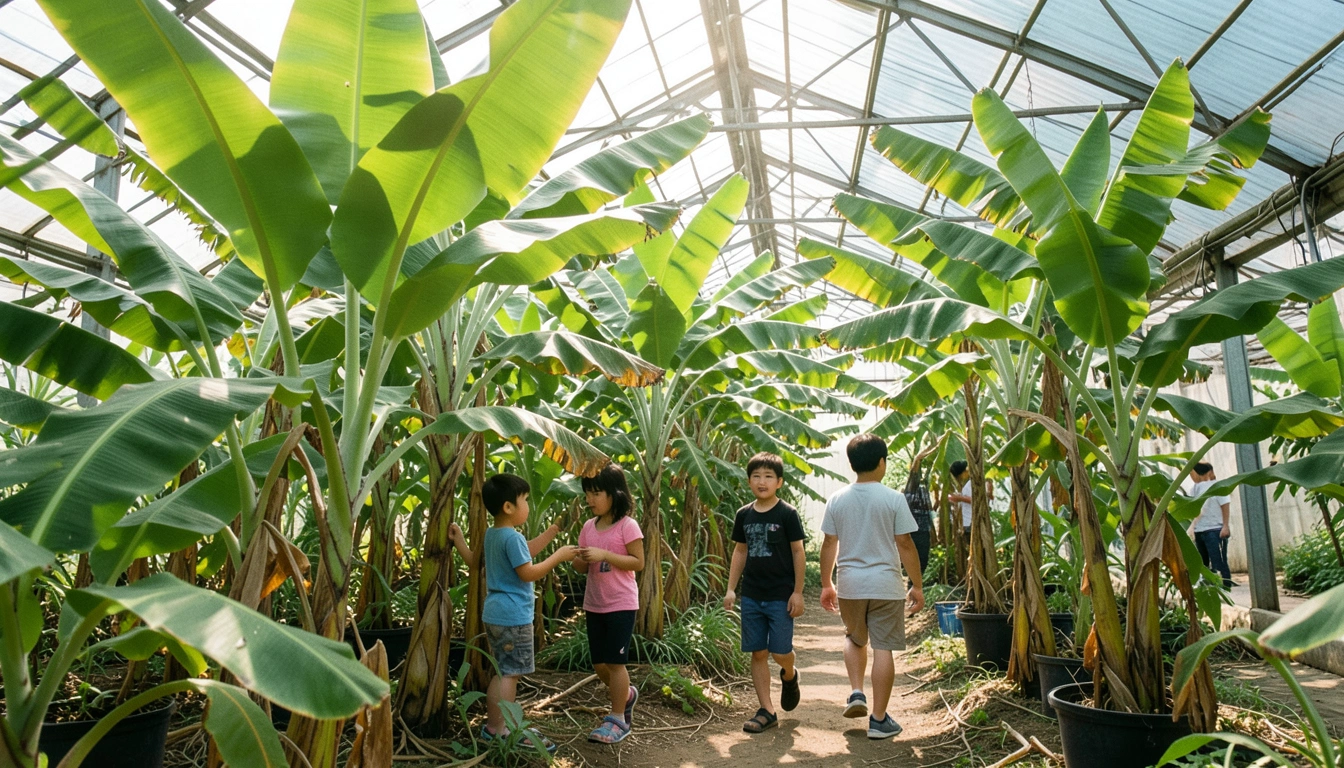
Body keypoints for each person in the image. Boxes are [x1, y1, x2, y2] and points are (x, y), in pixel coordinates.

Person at [449, 473, 576, 753]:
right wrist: (558, 557)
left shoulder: (494, 534)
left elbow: (475, 561)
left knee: (504, 670)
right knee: (509, 674)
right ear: (509, 507)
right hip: (513, 616)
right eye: (525, 500)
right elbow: (527, 571)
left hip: (495, 613)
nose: (528, 506)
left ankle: (496, 726)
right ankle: (498, 729)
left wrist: (552, 533)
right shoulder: (512, 537)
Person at [820, 434, 925, 740]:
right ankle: (879, 720)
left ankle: (856, 692)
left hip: (851, 584)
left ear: (852, 464)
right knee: (883, 648)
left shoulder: (837, 499)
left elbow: (829, 543)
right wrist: (916, 585)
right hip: (886, 585)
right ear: (882, 462)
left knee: (854, 639)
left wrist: (827, 583)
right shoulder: (893, 499)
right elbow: (905, 543)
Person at [723, 452, 806, 734]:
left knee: (780, 651)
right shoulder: (743, 515)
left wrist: (798, 592)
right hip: (752, 595)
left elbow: (798, 552)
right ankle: (766, 710)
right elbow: (740, 551)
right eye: (756, 476)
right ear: (749, 481)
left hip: (781, 595)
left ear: (779, 482)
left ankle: (790, 673)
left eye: (768, 476)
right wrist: (731, 589)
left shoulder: (787, 514)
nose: (762, 481)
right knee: (758, 652)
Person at [573, 462, 646, 745]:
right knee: (599, 665)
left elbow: (637, 562)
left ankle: (617, 718)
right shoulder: (588, 527)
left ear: (614, 493)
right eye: (587, 493)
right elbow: (582, 568)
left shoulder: (627, 526)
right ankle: (626, 694)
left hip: (621, 602)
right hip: (595, 603)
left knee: (616, 664)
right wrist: (578, 558)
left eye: (596, 493)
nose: (590, 499)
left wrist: (604, 554)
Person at [1188, 462, 1234, 589]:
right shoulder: (1194, 489)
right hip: (1200, 530)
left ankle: (1225, 587)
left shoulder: (1217, 486)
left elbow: (1225, 505)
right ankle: (1210, 587)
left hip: (1215, 529)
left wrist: (1225, 525)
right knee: (1203, 564)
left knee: (1219, 562)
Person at [903, 451, 936, 580]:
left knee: (923, 560)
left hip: (924, 530)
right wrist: (918, 459)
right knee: (914, 560)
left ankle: (915, 585)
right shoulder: (910, 489)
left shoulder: (924, 488)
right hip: (913, 531)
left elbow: (929, 513)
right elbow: (914, 473)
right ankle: (913, 585)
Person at [947, 460, 973, 555]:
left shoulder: (972, 483)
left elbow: (975, 500)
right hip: (966, 523)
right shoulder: (967, 484)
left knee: (973, 550)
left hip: (970, 521)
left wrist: (959, 498)